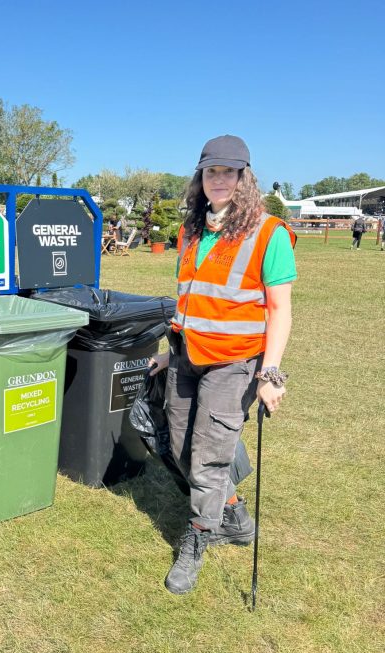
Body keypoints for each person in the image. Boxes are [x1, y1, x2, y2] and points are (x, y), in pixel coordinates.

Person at [149, 135, 297, 595]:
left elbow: (281, 310)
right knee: (178, 446)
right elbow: (190, 297)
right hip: (185, 355)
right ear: (201, 177)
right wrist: (167, 349)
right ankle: (232, 514)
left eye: (228, 172)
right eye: (210, 172)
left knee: (210, 456)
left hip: (234, 364)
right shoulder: (191, 229)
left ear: (243, 177)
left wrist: (270, 373)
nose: (218, 180)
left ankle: (197, 538)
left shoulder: (269, 233)